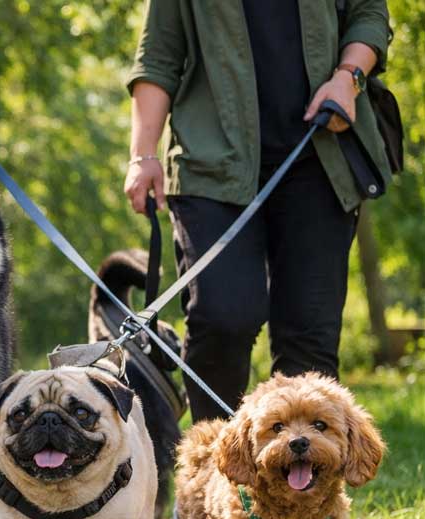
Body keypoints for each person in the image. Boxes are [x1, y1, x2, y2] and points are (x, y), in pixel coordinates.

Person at [124, 0, 392, 421]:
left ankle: (303, 485)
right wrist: (142, 156)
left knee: (310, 337)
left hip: (318, 157)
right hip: (211, 164)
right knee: (222, 318)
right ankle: (214, 471)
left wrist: (348, 76)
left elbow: (369, 12)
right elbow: (159, 55)